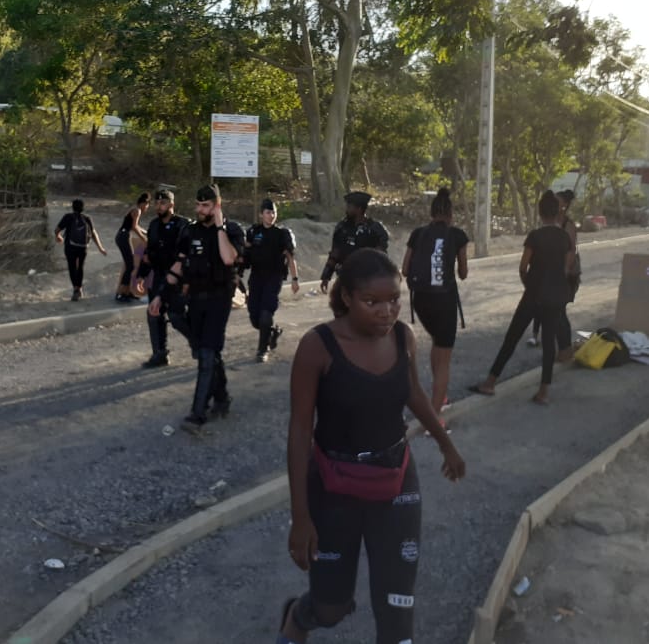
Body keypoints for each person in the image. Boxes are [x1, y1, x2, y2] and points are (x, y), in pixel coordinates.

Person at [276, 248, 465, 644]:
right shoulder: (317, 346)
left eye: (394, 299)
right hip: (332, 488)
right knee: (330, 609)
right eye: (372, 301)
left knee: (397, 612)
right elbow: (299, 431)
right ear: (347, 297)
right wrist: (300, 517)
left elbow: (413, 392)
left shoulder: (402, 336)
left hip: (395, 481)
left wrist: (446, 444)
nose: (386, 311)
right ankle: (298, 616)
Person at [149, 183, 245, 433]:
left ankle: (197, 413)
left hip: (219, 299)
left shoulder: (232, 230)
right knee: (206, 350)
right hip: (195, 299)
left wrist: (220, 226)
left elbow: (228, 258)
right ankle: (221, 397)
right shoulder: (190, 231)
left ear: (217, 206)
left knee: (206, 354)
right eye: (198, 204)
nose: (200, 209)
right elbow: (178, 266)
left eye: (206, 205)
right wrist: (160, 295)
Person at [470, 190, 574, 405]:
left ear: (540, 213)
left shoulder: (535, 236)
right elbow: (566, 269)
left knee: (512, 338)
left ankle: (490, 382)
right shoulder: (565, 237)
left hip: (533, 295)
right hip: (555, 297)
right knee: (548, 343)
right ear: (557, 213)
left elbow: (522, 267)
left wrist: (530, 285)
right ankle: (543, 392)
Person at [400, 188, 469, 430]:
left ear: (431, 214)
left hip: (420, 301)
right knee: (444, 360)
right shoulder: (457, 235)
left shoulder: (418, 233)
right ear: (450, 214)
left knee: (437, 344)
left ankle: (440, 398)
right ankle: (434, 419)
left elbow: (405, 269)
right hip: (444, 301)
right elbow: (463, 273)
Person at [137, 189, 190, 367]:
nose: (159, 206)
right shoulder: (154, 225)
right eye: (157, 203)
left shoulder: (183, 225)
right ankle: (159, 354)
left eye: (163, 203)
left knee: (176, 317)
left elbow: (186, 254)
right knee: (154, 313)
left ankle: (199, 343)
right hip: (158, 275)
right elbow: (148, 253)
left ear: (171, 204)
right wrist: (142, 275)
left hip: (177, 278)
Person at [245, 198, 300, 362]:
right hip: (256, 278)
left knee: (265, 313)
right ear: (261, 214)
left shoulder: (282, 234)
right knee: (255, 318)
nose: (271, 215)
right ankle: (272, 332)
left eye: (274, 212)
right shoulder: (253, 232)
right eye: (268, 212)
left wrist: (295, 279)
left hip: (273, 278)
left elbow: (290, 257)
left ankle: (262, 350)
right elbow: (244, 254)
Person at [526, 188, 577, 355]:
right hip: (549, 274)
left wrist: (564, 272)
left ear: (563, 206)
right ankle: (540, 338)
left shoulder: (568, 225)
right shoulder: (550, 221)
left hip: (562, 275)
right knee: (543, 306)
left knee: (559, 311)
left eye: (557, 201)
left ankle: (565, 348)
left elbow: (571, 251)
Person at [319, 191, 390, 294]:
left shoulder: (375, 229)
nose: (346, 209)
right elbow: (335, 254)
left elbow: (381, 257)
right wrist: (326, 276)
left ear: (359, 209)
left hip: (367, 280)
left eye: (349, 207)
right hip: (345, 279)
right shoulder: (342, 228)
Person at [54, 198, 108, 301]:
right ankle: (79, 288)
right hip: (83, 247)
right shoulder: (87, 218)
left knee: (72, 267)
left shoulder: (68, 217)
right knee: (80, 267)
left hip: (70, 246)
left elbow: (57, 230)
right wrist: (100, 248)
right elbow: (93, 234)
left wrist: (58, 236)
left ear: (72, 207)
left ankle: (76, 289)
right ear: (83, 208)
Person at [114, 193, 150, 302]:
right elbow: (134, 227)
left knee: (131, 265)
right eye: (147, 205)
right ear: (144, 203)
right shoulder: (137, 210)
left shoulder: (135, 209)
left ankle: (128, 292)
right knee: (130, 265)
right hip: (123, 237)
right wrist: (144, 238)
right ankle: (121, 293)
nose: (147, 207)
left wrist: (146, 233)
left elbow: (136, 226)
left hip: (124, 236)